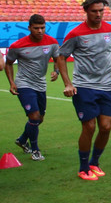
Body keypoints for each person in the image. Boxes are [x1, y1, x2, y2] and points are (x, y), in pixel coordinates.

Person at [58, 0, 111, 180]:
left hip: (105, 87)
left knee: (106, 127)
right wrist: (68, 83)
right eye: (94, 11)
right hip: (83, 86)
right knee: (89, 126)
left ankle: (95, 162)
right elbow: (61, 57)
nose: (98, 14)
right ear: (86, 11)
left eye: (101, 10)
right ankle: (83, 167)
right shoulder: (76, 33)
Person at [7, 14, 68, 162]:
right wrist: (12, 82)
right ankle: (35, 150)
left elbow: (57, 59)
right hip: (24, 84)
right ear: (29, 28)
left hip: (41, 84)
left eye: (42, 27)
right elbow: (9, 63)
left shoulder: (52, 42)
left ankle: (22, 140)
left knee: (39, 119)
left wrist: (57, 71)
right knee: (33, 117)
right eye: (36, 28)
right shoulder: (18, 46)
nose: (40, 31)